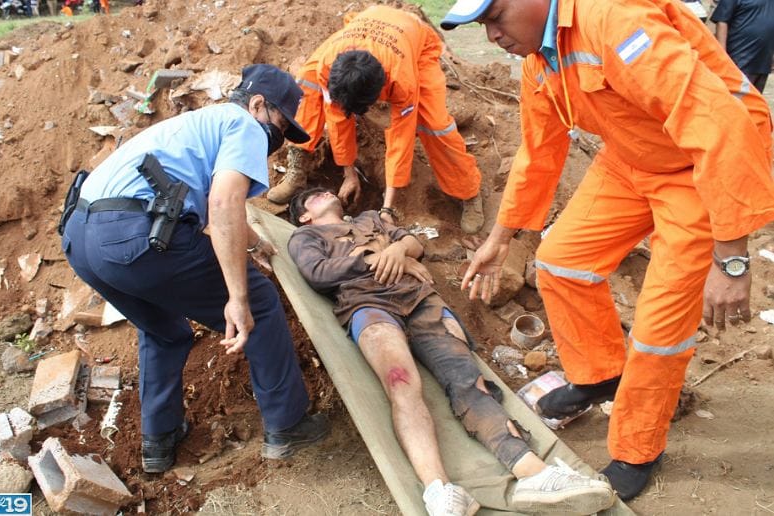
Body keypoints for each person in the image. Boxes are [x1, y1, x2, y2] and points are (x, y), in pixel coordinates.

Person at [441, 0, 774, 501]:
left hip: (696, 165)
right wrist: (499, 239)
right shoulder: (541, 62)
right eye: (481, 25)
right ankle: (601, 375)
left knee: (659, 330)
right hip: (633, 156)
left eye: (495, 18)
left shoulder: (616, 24)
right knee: (560, 264)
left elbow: (715, 124)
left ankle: (638, 449)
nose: (492, 37)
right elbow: (538, 154)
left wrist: (730, 258)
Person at [60, 64, 329, 473]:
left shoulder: (200, 123)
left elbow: (200, 210)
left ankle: (159, 438)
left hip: (82, 238)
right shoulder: (245, 126)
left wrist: (253, 243)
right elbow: (223, 205)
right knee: (259, 302)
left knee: (164, 330)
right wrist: (238, 298)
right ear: (258, 104)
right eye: (280, 122)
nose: (278, 138)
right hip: (133, 235)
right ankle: (287, 424)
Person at [287, 187, 616, 516]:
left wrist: (400, 250)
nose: (325, 192)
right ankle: (440, 490)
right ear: (305, 216)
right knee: (401, 383)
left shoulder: (370, 218)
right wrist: (380, 257)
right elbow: (318, 274)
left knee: (469, 380)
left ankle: (534, 473)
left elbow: (416, 244)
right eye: (314, 196)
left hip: (421, 301)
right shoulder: (305, 237)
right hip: (368, 306)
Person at [267, 5, 486, 234]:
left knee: (435, 125)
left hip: (413, 40)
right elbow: (338, 120)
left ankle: (468, 192)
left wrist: (387, 208)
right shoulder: (328, 67)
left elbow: (401, 139)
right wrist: (349, 173)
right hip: (364, 26)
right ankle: (298, 167)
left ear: (381, 91)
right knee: (306, 84)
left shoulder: (402, 81)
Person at [711, 0, 774, 93]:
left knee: (756, 100)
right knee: (736, 99)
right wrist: (722, 53)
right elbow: (722, 21)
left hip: (763, 60)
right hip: (740, 57)